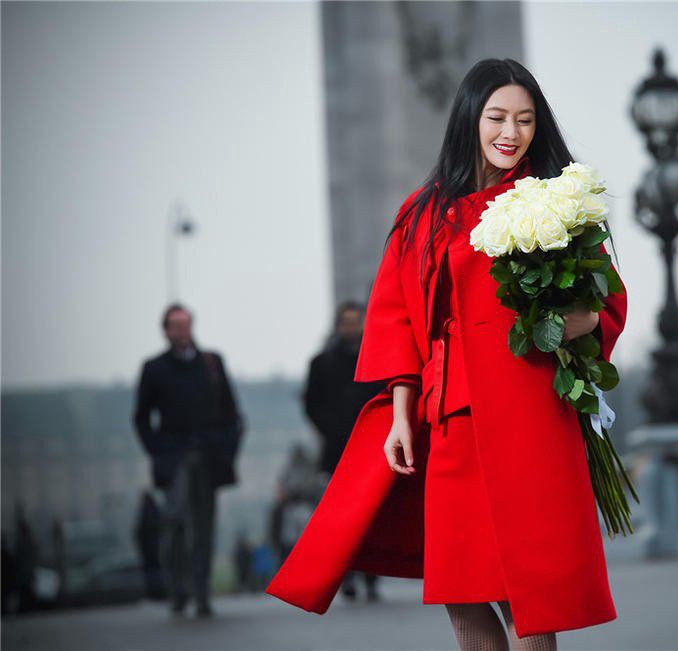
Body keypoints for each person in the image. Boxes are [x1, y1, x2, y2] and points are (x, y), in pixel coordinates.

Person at [266, 58, 628, 650]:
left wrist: (570, 323)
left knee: (528, 592)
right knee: (462, 589)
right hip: (451, 419)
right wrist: (401, 416)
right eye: (497, 117)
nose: (511, 133)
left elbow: (604, 300)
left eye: (525, 120)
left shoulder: (554, 201)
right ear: (469, 119)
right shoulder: (422, 213)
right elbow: (396, 319)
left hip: (532, 413)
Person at [132, 303, 245, 618]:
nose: (182, 330)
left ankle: (201, 593)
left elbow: (232, 413)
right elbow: (141, 417)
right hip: (174, 457)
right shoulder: (154, 369)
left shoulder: (211, 363)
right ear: (166, 331)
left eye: (186, 324)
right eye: (176, 325)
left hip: (207, 456)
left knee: (204, 528)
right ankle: (178, 590)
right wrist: (158, 450)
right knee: (175, 523)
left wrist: (227, 448)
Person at [302, 301, 385, 601]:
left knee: (372, 515)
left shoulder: (378, 357)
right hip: (337, 449)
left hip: (372, 447)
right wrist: (331, 429)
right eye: (347, 322)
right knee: (340, 518)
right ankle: (346, 575)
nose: (352, 328)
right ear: (338, 326)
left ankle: (371, 576)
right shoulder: (321, 363)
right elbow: (311, 404)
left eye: (356, 321)